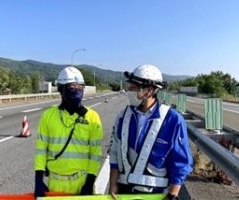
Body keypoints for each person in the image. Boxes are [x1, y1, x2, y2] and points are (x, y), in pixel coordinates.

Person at [108, 64, 193, 200]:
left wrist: (172, 195)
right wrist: (112, 184)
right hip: (123, 192)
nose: (128, 90)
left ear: (149, 91)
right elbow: (114, 152)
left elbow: (181, 162)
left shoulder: (172, 119)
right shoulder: (122, 116)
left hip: (156, 194)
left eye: (133, 87)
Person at [34, 66, 103, 198]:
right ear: (61, 89)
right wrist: (38, 180)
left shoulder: (92, 117)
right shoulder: (48, 115)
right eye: (72, 87)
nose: (76, 90)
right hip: (55, 184)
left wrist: (89, 183)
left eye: (80, 87)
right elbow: (41, 150)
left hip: (82, 182)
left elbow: (95, 154)